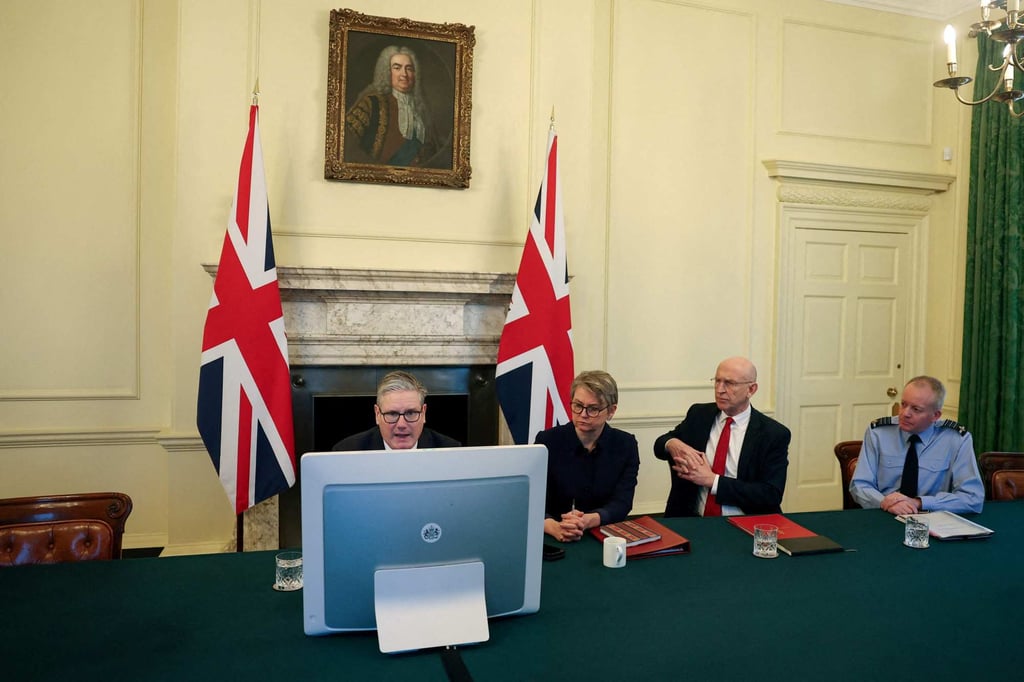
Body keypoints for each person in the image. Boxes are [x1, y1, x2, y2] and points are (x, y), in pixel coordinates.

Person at [653, 356, 790, 517]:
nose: (719, 390)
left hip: (745, 520)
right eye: (717, 381)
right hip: (692, 519)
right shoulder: (699, 414)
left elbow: (770, 494)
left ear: (751, 389)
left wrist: (713, 481)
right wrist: (672, 443)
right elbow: (659, 446)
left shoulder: (773, 433)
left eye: (729, 383)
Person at [850, 376, 983, 515]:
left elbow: (972, 497)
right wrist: (884, 502)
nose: (905, 413)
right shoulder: (878, 433)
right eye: (903, 404)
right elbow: (860, 484)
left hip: (932, 518)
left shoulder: (956, 439)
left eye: (916, 409)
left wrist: (919, 503)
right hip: (885, 513)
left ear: (935, 415)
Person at [537, 371, 640, 543]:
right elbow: (534, 497)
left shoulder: (625, 445)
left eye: (593, 409)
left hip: (604, 534)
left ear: (611, 411)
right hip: (553, 532)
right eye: (578, 405)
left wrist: (587, 520)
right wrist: (553, 526)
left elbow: (622, 502)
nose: (583, 414)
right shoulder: (547, 441)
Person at [344, 45, 439, 167]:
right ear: (387, 72)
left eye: (409, 68)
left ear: (415, 74)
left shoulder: (422, 110)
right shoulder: (371, 103)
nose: (404, 74)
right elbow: (346, 143)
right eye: (397, 68)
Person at [331, 370, 461, 451]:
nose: (401, 425)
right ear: (377, 414)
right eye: (392, 414)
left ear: (423, 413)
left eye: (411, 413)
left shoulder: (451, 451)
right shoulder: (346, 452)